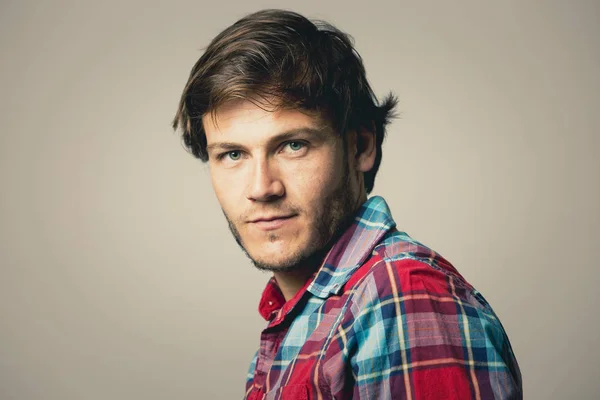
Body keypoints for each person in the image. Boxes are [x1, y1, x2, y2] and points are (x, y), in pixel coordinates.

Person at [172, 9, 522, 400]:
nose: (261, 187)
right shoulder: (307, 316)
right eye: (233, 154)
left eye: (293, 145)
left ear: (361, 147)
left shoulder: (400, 298)